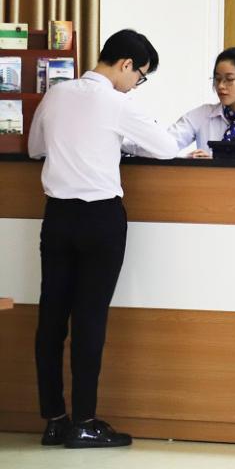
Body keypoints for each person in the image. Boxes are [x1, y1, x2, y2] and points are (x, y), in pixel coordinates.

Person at [27, 29, 179, 449]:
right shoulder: (116, 103)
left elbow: (36, 148)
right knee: (89, 321)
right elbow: (167, 147)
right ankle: (84, 422)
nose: (136, 84)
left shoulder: (56, 94)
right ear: (126, 64)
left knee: (51, 320)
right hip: (100, 220)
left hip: (57, 218)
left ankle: (54, 420)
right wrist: (121, 141)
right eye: (140, 76)